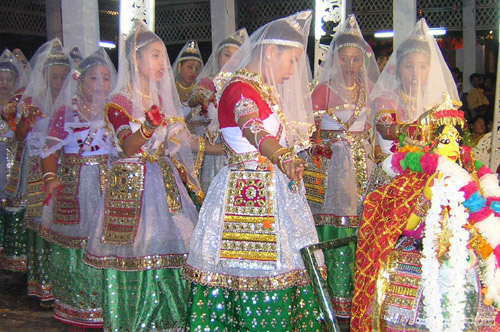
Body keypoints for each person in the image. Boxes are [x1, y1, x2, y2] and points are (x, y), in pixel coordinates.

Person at [183, 11, 324, 331]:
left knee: (282, 267)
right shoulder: (240, 90)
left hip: (268, 190)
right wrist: (283, 156)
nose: (293, 71)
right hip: (247, 195)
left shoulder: (262, 90)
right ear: (271, 52)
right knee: (252, 270)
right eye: (291, 61)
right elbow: (253, 129)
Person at [83, 20, 202, 331]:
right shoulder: (119, 101)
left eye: (163, 56)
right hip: (132, 187)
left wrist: (230, 146)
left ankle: (169, 318)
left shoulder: (164, 100)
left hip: (164, 182)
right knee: (138, 251)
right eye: (154, 55)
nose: (162, 63)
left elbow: (183, 141)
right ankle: (136, 321)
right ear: (135, 61)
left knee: (175, 245)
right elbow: (127, 146)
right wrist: (148, 127)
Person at [351, 96, 500, 331]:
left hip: (465, 255)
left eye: (457, 141)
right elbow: (402, 226)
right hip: (419, 253)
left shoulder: (471, 175)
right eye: (445, 140)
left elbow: (483, 221)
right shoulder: (412, 179)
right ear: (428, 144)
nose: (453, 148)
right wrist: (425, 198)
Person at [303, 14, 379, 321]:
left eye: (356, 60)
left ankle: (362, 293)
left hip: (364, 163)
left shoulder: (372, 88)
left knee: (364, 222)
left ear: (363, 61)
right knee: (337, 223)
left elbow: (376, 128)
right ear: (335, 59)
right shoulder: (321, 90)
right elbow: (308, 131)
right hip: (333, 169)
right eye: (344, 59)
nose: (350, 66)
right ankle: (334, 295)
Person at [39, 49, 116, 329]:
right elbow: (50, 149)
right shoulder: (66, 111)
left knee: (105, 242)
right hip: (74, 183)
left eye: (106, 78)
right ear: (80, 81)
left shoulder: (114, 111)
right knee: (74, 244)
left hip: (109, 184)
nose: (101, 84)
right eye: (94, 78)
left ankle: (106, 305)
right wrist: (50, 177)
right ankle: (76, 306)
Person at [9, 39, 71, 304]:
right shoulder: (33, 99)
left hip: (66, 168)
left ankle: (61, 282)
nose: (58, 81)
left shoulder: (72, 99)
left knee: (60, 223)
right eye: (53, 76)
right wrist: (26, 120)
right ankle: (41, 281)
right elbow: (20, 135)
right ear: (44, 76)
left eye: (63, 76)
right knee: (39, 223)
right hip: (38, 168)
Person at [370, 19, 459, 162]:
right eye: (408, 66)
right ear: (398, 68)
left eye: (422, 67)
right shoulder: (386, 99)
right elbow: (385, 129)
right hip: (392, 174)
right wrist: (413, 129)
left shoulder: (438, 102)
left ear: (430, 70)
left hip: (430, 172)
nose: (415, 73)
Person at [189, 28, 248, 191]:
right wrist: (203, 97)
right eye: (227, 55)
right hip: (216, 153)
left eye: (237, 56)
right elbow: (194, 98)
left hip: (241, 151)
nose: (231, 60)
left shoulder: (245, 84)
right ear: (217, 56)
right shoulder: (209, 82)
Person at [0, 49, 28, 270]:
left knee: (14, 204)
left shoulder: (19, 106)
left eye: (9, 79)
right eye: (1, 79)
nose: (5, 83)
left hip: (14, 163)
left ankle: (14, 252)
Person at [172, 40, 203, 119]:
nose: (193, 72)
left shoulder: (200, 91)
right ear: (179, 66)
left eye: (197, 69)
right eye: (189, 67)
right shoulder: (170, 91)